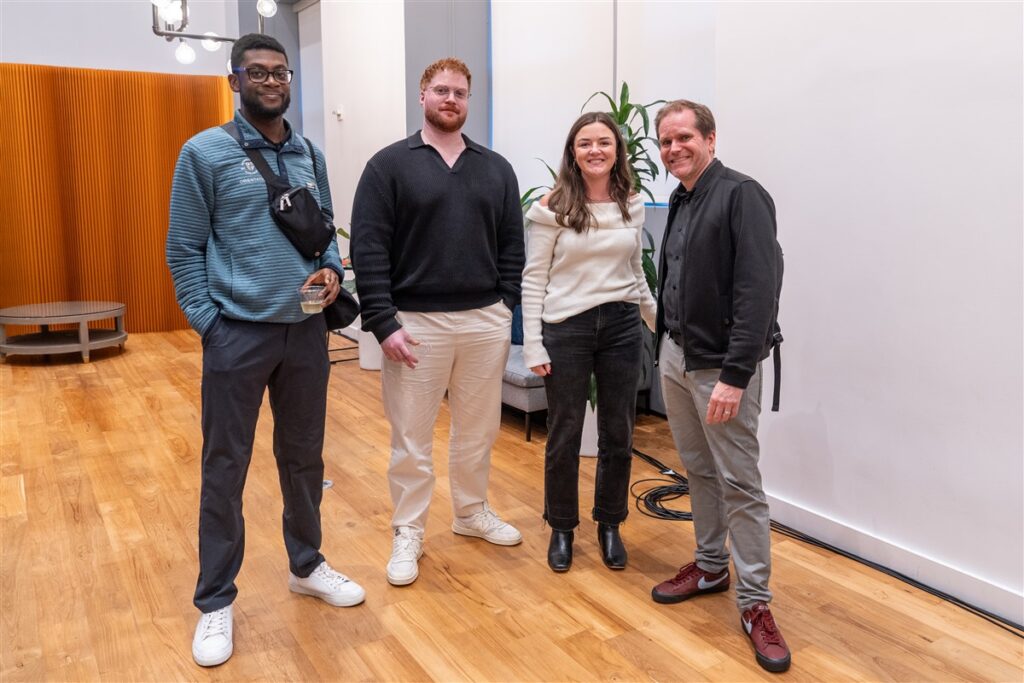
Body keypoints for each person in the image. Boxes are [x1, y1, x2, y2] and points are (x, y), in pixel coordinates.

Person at [166, 33, 365, 669]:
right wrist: (210, 325)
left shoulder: (309, 153)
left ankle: (306, 565)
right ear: (235, 81)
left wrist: (333, 269)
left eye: (280, 72)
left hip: (305, 333)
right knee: (225, 467)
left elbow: (324, 233)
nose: (272, 81)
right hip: (238, 335)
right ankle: (215, 600)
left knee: (304, 458)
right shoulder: (204, 153)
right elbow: (183, 249)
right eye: (257, 72)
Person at [350, 58, 525, 587]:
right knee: (411, 437)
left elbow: (512, 245)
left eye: (460, 93)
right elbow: (369, 248)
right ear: (423, 95)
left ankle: (470, 512)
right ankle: (409, 529)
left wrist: (505, 305)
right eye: (442, 90)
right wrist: (383, 322)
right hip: (415, 324)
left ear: (468, 101)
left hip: (484, 321)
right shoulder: (388, 166)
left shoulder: (496, 169)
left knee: (479, 430)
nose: (451, 99)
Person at [649, 100, 789, 673]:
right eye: (665, 141)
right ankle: (710, 567)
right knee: (699, 470)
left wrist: (736, 375)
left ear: (710, 138)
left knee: (740, 483)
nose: (674, 148)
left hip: (721, 369)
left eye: (684, 137)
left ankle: (755, 603)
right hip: (676, 356)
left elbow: (759, 290)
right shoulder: (681, 199)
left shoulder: (742, 195)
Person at [520, 112, 656, 572]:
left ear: (617, 151)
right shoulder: (552, 206)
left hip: (621, 326)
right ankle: (561, 526)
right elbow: (534, 278)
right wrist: (534, 344)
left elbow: (635, 271)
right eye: (585, 143)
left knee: (619, 432)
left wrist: (656, 320)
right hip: (567, 329)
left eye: (604, 142)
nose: (595, 150)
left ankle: (610, 523)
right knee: (565, 432)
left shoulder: (630, 203)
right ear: (572, 153)